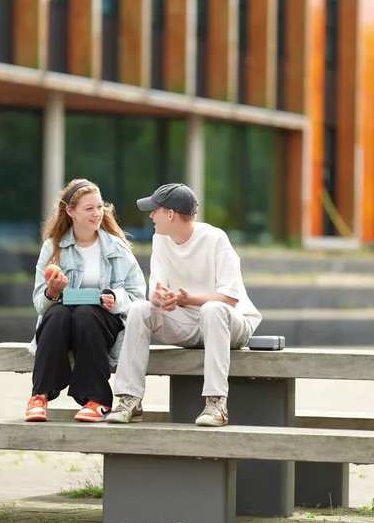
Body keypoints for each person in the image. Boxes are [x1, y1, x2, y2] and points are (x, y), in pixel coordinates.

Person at [106, 183, 261, 427]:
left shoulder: (216, 238)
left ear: (170, 214)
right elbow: (155, 290)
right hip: (188, 323)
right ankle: (130, 399)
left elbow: (230, 299)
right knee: (139, 309)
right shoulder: (160, 240)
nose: (150, 215)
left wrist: (190, 300)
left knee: (212, 309)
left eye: (154, 210)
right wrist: (159, 299)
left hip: (231, 324)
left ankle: (216, 404)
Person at [25, 179, 146, 423]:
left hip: (103, 321)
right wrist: (52, 293)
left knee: (85, 314)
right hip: (62, 322)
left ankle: (98, 400)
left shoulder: (117, 248)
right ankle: (39, 396)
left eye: (100, 207)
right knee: (58, 313)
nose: (97, 214)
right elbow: (40, 304)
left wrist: (115, 299)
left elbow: (139, 297)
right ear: (71, 211)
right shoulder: (52, 248)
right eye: (89, 208)